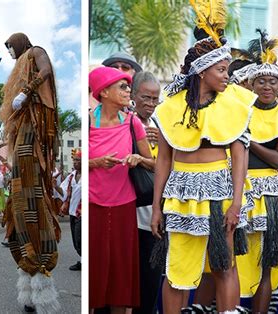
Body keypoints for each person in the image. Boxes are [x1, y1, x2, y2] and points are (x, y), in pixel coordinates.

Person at [150, 2, 256, 311]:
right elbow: (164, 161)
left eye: (227, 70)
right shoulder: (170, 108)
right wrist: (156, 207)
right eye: (221, 70)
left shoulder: (234, 105)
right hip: (180, 192)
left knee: (225, 265)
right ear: (201, 71)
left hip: (220, 188)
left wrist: (236, 202)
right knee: (176, 271)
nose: (226, 76)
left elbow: (239, 156)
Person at [235, 29, 278, 312]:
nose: (266, 86)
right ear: (251, 84)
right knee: (231, 259)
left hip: (273, 198)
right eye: (261, 81)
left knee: (267, 263)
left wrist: (248, 141)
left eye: (272, 81)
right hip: (240, 190)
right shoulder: (239, 113)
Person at [0, 32, 60, 313]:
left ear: (20, 42)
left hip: (33, 134)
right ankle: (28, 278)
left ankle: (41, 274)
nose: (10, 53)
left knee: (32, 197)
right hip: (22, 138)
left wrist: (27, 90)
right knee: (20, 203)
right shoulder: (19, 62)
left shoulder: (35, 51)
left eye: (11, 47)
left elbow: (46, 71)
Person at [89, 66, 155, 313]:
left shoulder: (132, 122)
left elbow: (154, 164)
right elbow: (79, 163)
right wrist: (97, 162)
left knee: (121, 278)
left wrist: (139, 160)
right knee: (94, 274)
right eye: (123, 87)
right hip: (94, 204)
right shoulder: (87, 122)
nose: (129, 91)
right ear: (104, 92)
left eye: (128, 87)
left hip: (124, 206)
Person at [129, 71, 163, 314]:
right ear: (133, 95)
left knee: (151, 278)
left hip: (156, 212)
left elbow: (170, 164)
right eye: (146, 98)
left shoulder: (161, 126)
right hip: (130, 208)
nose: (150, 104)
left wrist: (162, 143)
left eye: (155, 99)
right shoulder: (123, 122)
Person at [54, 148, 82, 271]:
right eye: (74, 160)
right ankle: (83, 260)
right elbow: (64, 192)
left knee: (80, 238)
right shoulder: (71, 176)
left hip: (83, 214)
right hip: (72, 212)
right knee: (76, 240)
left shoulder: (90, 175)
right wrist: (55, 186)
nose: (75, 162)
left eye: (78, 160)